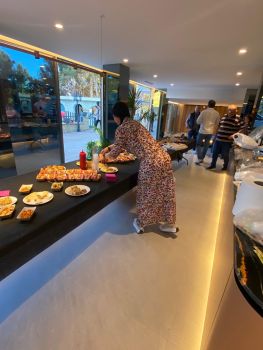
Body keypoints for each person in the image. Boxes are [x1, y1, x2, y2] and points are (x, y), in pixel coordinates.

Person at [100, 101, 177, 234]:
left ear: (117, 116)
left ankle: (141, 223)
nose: (114, 119)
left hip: (150, 162)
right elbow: (121, 143)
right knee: (166, 191)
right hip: (163, 158)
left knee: (146, 193)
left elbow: (117, 149)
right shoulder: (135, 123)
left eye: (113, 116)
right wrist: (107, 148)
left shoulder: (121, 128)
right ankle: (169, 224)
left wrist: (104, 158)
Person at [207, 105, 244, 170]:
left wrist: (233, 135)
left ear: (236, 111)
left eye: (232, 111)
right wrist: (215, 136)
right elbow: (219, 126)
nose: (230, 112)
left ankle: (225, 166)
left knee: (225, 154)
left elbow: (243, 129)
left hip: (227, 141)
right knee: (214, 153)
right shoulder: (224, 116)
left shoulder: (238, 118)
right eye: (229, 110)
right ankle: (213, 165)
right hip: (218, 139)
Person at [195, 100, 220, 165]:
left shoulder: (203, 112)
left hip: (202, 131)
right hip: (210, 132)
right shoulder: (217, 113)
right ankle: (202, 158)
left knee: (198, 145)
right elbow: (217, 123)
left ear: (208, 104)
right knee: (206, 146)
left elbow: (198, 122)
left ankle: (199, 158)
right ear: (214, 105)